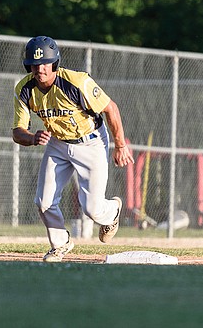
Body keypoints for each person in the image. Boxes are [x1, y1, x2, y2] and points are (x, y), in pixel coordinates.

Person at [12, 36, 134, 262]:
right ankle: (61, 244)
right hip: (58, 143)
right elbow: (17, 132)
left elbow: (111, 108)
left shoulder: (77, 82)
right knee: (44, 202)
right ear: (28, 66)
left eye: (45, 63)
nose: (40, 69)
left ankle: (112, 212)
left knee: (92, 209)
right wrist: (31, 137)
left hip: (91, 142)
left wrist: (120, 144)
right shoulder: (24, 89)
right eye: (35, 64)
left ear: (54, 63)